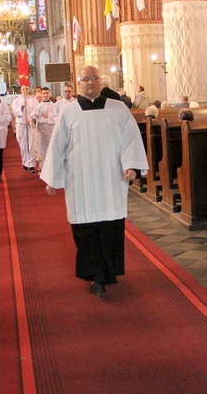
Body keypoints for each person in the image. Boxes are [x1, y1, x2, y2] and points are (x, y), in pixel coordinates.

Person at [41, 65, 148, 297]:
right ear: (79, 83)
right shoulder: (68, 112)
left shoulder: (118, 109)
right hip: (80, 180)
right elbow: (57, 145)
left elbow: (130, 139)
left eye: (94, 78)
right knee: (86, 227)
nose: (90, 82)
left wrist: (131, 165)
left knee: (109, 225)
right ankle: (95, 274)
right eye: (86, 79)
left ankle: (106, 273)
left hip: (111, 178)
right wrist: (52, 177)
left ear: (100, 81)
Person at [11, 85, 38, 172]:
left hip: (30, 125)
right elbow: (14, 111)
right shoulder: (16, 100)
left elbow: (36, 111)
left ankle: (31, 165)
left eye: (27, 88)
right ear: (20, 90)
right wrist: (22, 107)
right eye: (23, 89)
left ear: (29, 89)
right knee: (23, 144)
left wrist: (30, 119)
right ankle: (25, 162)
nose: (25, 90)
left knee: (31, 144)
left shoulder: (34, 100)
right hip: (21, 124)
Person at [30, 87, 57, 171]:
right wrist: (34, 120)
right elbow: (33, 117)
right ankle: (43, 168)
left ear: (49, 94)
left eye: (47, 93)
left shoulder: (54, 106)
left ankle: (52, 168)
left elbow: (57, 117)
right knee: (42, 149)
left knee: (52, 149)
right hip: (42, 130)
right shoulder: (38, 107)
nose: (45, 95)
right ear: (41, 94)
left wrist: (48, 115)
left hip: (51, 129)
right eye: (44, 93)